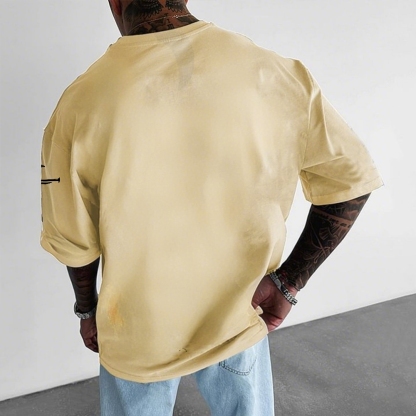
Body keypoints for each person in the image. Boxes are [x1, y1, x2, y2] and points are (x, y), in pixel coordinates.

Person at [40, 1, 383, 415]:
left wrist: (87, 310)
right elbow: (351, 182)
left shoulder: (80, 102)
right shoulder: (272, 72)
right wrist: (289, 284)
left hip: (136, 330)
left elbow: (73, 240)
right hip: (238, 313)